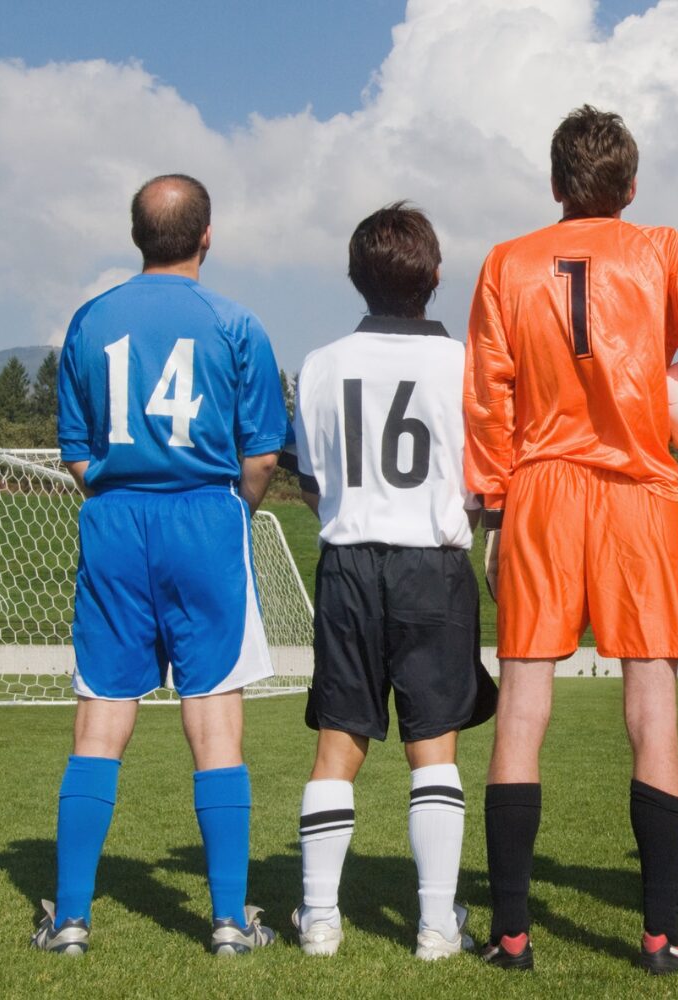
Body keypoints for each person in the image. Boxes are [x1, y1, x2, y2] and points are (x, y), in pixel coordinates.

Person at [464, 104, 678, 974]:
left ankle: (513, 936)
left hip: (539, 492)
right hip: (638, 491)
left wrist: (491, 509)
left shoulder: (505, 263)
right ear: (630, 187)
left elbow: (487, 400)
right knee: (653, 710)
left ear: (556, 185)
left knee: (523, 708)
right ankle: (660, 934)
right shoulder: (663, 250)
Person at [35, 174, 288, 956]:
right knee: (214, 718)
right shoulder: (237, 322)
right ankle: (226, 921)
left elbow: (76, 455)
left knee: (101, 715)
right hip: (206, 518)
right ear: (207, 235)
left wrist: (126, 496)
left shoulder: (90, 320)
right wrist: (229, 510)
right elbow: (262, 455)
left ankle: (71, 919)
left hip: (115, 521)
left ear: (136, 235)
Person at [288, 203, 497, 961]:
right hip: (431, 564)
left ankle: (318, 920)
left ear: (354, 278)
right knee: (432, 750)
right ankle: (437, 926)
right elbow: (483, 484)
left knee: (338, 744)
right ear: (436, 277)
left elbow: (312, 481)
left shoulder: (319, 364)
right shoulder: (468, 366)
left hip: (347, 564)